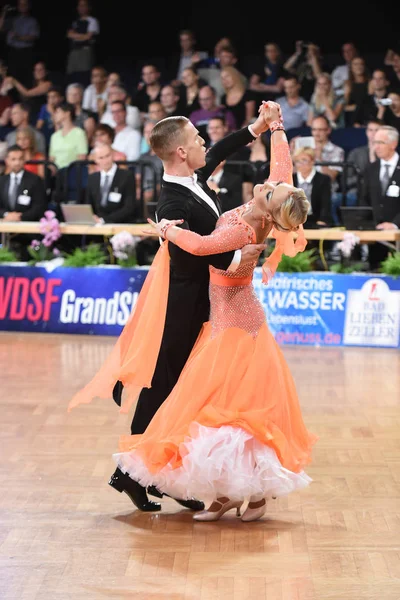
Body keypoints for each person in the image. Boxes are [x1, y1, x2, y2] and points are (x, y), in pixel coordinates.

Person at [69, 102, 317, 522]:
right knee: (165, 385)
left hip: (215, 303)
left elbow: (218, 150)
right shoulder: (170, 205)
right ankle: (131, 471)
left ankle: (174, 472)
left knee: (192, 391)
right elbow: (197, 255)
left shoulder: (196, 177)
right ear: (181, 152)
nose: (204, 144)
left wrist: (255, 129)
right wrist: (239, 253)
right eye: (196, 140)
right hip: (183, 305)